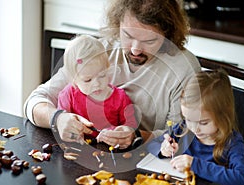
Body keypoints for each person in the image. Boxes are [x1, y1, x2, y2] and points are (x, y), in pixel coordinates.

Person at [24, 0, 201, 149]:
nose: (135, 49)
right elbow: (34, 101)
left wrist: (137, 136)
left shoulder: (183, 68)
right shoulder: (101, 50)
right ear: (118, 24)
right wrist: (57, 118)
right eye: (128, 35)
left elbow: (184, 137)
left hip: (149, 165)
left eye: (149, 41)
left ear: (167, 35)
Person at [147, 69, 244, 185]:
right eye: (189, 119)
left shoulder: (232, 142)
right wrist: (163, 149)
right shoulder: (182, 129)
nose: (194, 129)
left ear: (223, 116)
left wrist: (195, 165)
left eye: (203, 123)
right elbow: (152, 145)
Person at [56, 35, 137, 143]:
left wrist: (126, 132)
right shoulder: (68, 95)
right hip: (78, 149)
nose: (97, 84)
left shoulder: (120, 97)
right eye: (88, 80)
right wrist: (71, 133)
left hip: (110, 151)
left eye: (102, 75)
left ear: (108, 68)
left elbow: (131, 125)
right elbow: (61, 122)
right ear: (74, 80)